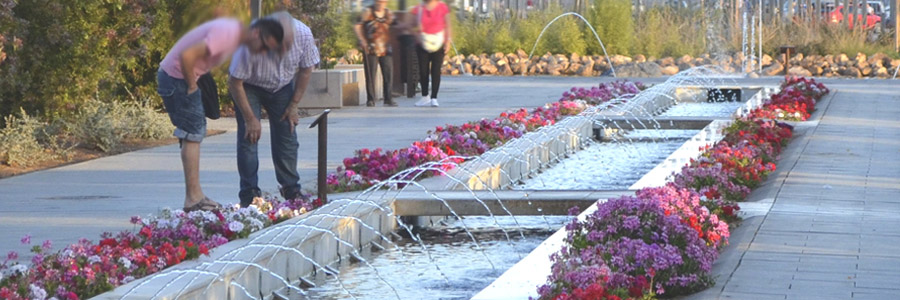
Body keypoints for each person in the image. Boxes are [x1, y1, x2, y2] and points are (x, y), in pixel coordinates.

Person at [157, 17, 285, 212]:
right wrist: (192, 86)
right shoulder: (227, 34)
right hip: (178, 78)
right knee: (193, 133)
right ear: (257, 33)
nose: (263, 52)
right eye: (265, 47)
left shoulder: (233, 34)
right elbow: (187, 55)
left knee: (192, 133)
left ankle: (195, 195)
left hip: (177, 77)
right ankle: (193, 199)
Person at [228, 12, 320, 208]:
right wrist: (251, 118)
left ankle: (291, 188)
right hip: (249, 86)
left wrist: (294, 104)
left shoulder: (303, 34)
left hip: (282, 86)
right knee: (249, 137)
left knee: (287, 134)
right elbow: (235, 82)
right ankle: (249, 194)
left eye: (287, 44)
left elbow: (306, 69)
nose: (284, 49)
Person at [354, 0, 398, 107]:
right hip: (371, 48)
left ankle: (388, 98)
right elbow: (357, 26)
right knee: (370, 75)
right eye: (378, 2)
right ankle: (371, 99)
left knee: (388, 74)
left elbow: (396, 25)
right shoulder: (367, 12)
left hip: (386, 48)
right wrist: (361, 39)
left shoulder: (388, 13)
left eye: (383, 2)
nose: (380, 4)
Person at [411, 0, 451, 107]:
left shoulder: (442, 7)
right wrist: (416, 33)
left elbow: (447, 25)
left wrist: (448, 41)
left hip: (438, 42)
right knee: (423, 70)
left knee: (436, 70)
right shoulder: (419, 8)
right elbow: (411, 25)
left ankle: (434, 97)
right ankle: (425, 96)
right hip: (423, 43)